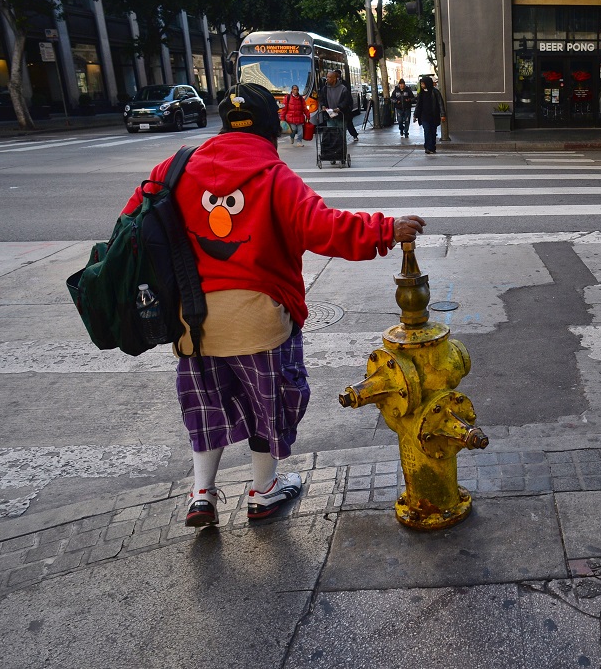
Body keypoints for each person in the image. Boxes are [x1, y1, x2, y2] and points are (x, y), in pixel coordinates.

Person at [120, 83, 426, 528]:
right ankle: (262, 492)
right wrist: (386, 228)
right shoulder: (273, 176)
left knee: (206, 407)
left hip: (193, 325)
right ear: (273, 129)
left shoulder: (173, 169)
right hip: (260, 323)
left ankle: (201, 495)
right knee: (269, 406)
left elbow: (131, 227)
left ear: (224, 124)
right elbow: (325, 228)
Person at [320, 70, 358, 143]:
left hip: (341, 115)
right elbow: (322, 99)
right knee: (331, 134)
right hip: (330, 115)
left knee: (341, 135)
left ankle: (341, 150)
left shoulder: (343, 88)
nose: (327, 79)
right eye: (327, 77)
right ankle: (333, 150)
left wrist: (339, 108)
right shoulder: (324, 89)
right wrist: (323, 106)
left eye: (329, 77)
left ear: (335, 79)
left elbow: (346, 101)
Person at [412, 76, 443, 155]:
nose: (422, 85)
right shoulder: (421, 93)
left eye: (423, 83)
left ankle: (432, 147)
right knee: (427, 131)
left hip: (433, 116)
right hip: (424, 116)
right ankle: (428, 147)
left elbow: (440, 104)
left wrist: (442, 114)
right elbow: (418, 105)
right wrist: (415, 115)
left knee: (433, 132)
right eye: (421, 84)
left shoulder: (435, 92)